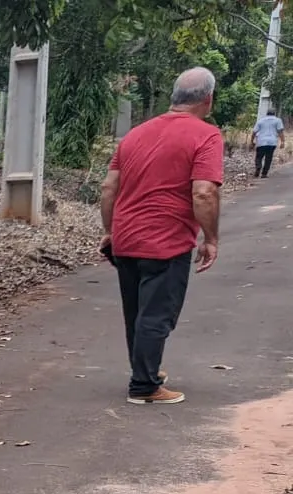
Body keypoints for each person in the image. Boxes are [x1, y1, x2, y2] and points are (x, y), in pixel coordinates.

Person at [98, 67, 223, 406]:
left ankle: (145, 370)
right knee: (157, 315)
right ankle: (144, 387)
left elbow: (109, 188)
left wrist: (110, 232)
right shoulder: (206, 135)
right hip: (166, 242)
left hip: (126, 239)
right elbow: (204, 193)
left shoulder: (135, 135)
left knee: (136, 312)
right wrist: (210, 238)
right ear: (207, 100)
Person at [253, 106, 284, 178]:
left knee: (259, 157)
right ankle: (264, 174)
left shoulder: (261, 121)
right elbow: (280, 132)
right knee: (268, 158)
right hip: (272, 142)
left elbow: (254, 132)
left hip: (261, 141)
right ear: (274, 113)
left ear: (267, 113)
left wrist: (252, 141)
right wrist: (282, 141)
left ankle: (258, 166)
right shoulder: (278, 120)